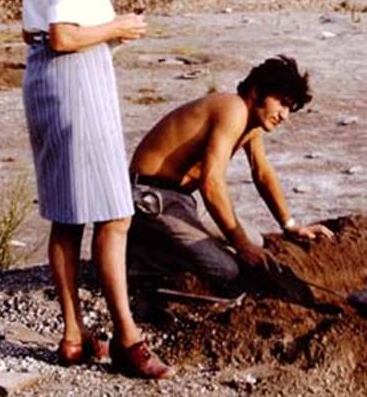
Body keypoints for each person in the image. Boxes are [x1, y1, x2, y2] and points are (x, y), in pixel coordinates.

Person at [21, 0, 173, 379]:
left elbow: (40, 31)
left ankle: (72, 334)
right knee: (115, 213)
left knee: (68, 215)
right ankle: (129, 337)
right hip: (73, 76)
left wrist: (104, 35)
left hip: (46, 74)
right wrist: (118, 27)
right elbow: (65, 36)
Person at [128, 55, 333, 295]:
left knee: (256, 241)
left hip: (182, 198)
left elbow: (261, 172)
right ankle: (143, 259)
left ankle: (169, 245)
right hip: (151, 196)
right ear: (256, 92)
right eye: (282, 103)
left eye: (290, 108)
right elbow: (211, 183)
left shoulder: (251, 123)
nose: (284, 115)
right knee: (227, 271)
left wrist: (290, 225)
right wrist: (241, 245)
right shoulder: (232, 109)